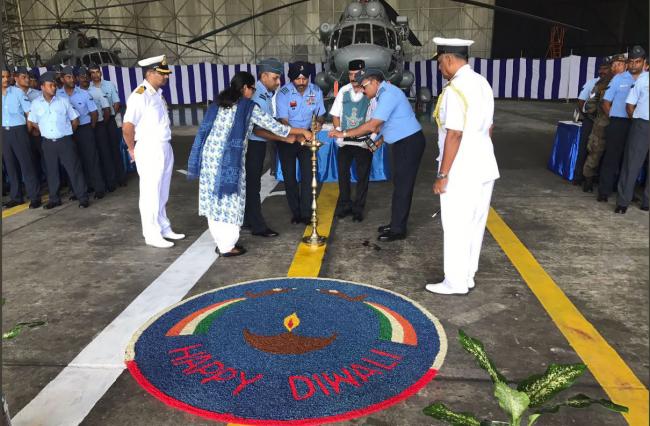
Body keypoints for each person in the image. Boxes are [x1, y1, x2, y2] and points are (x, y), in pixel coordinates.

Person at [188, 71, 312, 257]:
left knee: (215, 199)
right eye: (252, 89)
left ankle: (220, 241)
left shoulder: (218, 103)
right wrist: (302, 131)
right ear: (245, 88)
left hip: (209, 157)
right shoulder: (247, 107)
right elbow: (275, 126)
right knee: (230, 199)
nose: (253, 93)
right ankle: (227, 246)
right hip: (229, 159)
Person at [425, 38, 499, 296]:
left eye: (439, 62)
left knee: (456, 225)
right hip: (484, 164)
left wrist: (443, 174)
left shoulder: (455, 89)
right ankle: (467, 276)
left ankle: (454, 282)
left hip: (461, 169)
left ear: (448, 59)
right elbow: (490, 127)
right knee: (475, 223)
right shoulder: (482, 82)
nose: (439, 68)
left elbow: (454, 134)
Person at [329, 67, 425, 242]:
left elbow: (373, 125)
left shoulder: (388, 94)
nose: (362, 91)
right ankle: (395, 223)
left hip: (408, 143)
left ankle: (398, 229)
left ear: (374, 82)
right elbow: (386, 124)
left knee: (403, 187)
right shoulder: (383, 93)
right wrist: (377, 142)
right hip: (401, 142)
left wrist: (344, 133)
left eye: (364, 86)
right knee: (399, 185)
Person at [123, 55, 184, 248]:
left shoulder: (157, 93)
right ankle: (151, 234)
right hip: (149, 147)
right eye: (162, 73)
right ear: (150, 73)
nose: (166, 77)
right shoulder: (140, 95)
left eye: (166, 73)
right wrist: (131, 149)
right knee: (150, 193)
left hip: (164, 145)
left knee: (162, 191)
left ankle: (163, 227)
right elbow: (127, 126)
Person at [27, 71, 90, 209]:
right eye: (50, 85)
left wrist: (67, 133)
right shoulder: (36, 104)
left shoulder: (63, 101)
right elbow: (32, 121)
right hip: (48, 143)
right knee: (51, 171)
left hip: (65, 141)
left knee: (74, 169)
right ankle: (54, 199)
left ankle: (82, 197)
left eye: (55, 85)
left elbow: (75, 120)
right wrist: (43, 129)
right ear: (42, 87)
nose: (54, 88)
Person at [276, 61, 326, 224]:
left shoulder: (316, 91)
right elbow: (283, 121)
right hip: (288, 139)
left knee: (308, 176)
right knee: (289, 177)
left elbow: (320, 114)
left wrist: (319, 123)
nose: (302, 82)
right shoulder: (283, 93)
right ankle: (296, 213)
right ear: (291, 79)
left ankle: (306, 213)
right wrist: (297, 135)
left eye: (305, 79)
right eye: (298, 79)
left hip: (308, 137)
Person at [330, 59, 378, 222]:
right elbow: (335, 115)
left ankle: (358, 208)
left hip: (363, 141)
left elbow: (377, 119)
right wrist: (339, 132)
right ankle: (344, 205)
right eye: (350, 74)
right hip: (345, 141)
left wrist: (372, 138)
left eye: (356, 74)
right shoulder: (343, 91)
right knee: (343, 174)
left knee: (362, 176)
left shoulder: (370, 92)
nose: (353, 77)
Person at [243, 58, 285, 238]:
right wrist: (284, 136)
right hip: (253, 146)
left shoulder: (265, 94)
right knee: (253, 186)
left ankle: (247, 220)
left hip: (258, 145)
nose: (278, 82)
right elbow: (258, 129)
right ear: (264, 76)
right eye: (275, 78)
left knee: (251, 184)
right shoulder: (257, 96)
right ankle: (257, 226)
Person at [598, 48, 645, 202]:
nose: (634, 64)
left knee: (632, 160)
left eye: (637, 61)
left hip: (639, 124)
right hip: (619, 122)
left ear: (643, 62)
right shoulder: (619, 78)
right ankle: (604, 191)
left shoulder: (645, 79)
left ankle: (627, 192)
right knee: (612, 156)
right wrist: (613, 118)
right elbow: (606, 102)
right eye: (631, 61)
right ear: (627, 63)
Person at [57, 66, 106, 199]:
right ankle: (79, 190)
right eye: (68, 77)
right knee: (73, 162)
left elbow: (94, 113)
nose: (72, 79)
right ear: (62, 79)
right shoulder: (57, 95)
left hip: (84, 129)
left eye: (73, 77)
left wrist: (90, 128)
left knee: (91, 159)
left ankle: (99, 188)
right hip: (67, 132)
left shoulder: (84, 94)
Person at [582, 54, 623, 193]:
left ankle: (612, 183)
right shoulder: (602, 83)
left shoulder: (629, 81)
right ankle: (588, 180)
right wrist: (597, 116)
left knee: (616, 154)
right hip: (602, 123)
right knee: (595, 151)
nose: (617, 67)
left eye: (620, 64)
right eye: (614, 65)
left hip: (620, 124)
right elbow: (591, 103)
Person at [2, 67, 41, 208]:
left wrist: (27, 131)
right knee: (10, 166)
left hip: (19, 130)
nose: (5, 79)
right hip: (4, 133)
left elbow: (29, 113)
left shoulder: (17, 92)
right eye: (2, 77)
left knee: (26, 165)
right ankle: (16, 197)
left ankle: (35, 196)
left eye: (7, 76)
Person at [615, 49, 649, 213]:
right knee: (632, 164)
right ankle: (623, 202)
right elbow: (629, 105)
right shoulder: (643, 80)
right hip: (642, 124)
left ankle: (647, 202)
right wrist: (636, 121)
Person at [78, 66, 117, 192]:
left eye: (86, 76)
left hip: (99, 125)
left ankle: (111, 182)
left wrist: (102, 124)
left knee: (105, 154)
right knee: (89, 157)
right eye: (82, 77)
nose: (85, 79)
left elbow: (107, 110)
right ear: (77, 78)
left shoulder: (96, 91)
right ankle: (93, 184)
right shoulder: (76, 93)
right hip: (84, 128)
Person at [89, 63, 126, 186]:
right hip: (98, 123)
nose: (95, 75)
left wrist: (111, 115)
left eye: (97, 72)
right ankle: (110, 180)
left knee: (115, 149)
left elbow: (116, 102)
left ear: (101, 72)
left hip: (110, 120)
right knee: (103, 151)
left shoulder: (109, 84)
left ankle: (121, 178)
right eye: (92, 73)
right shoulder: (88, 88)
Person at [574, 61, 611, 185]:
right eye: (600, 69)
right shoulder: (592, 83)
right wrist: (586, 116)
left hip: (605, 121)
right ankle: (578, 176)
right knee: (584, 148)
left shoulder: (613, 83)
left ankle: (595, 177)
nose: (602, 71)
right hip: (590, 120)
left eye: (605, 68)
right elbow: (581, 101)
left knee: (601, 150)